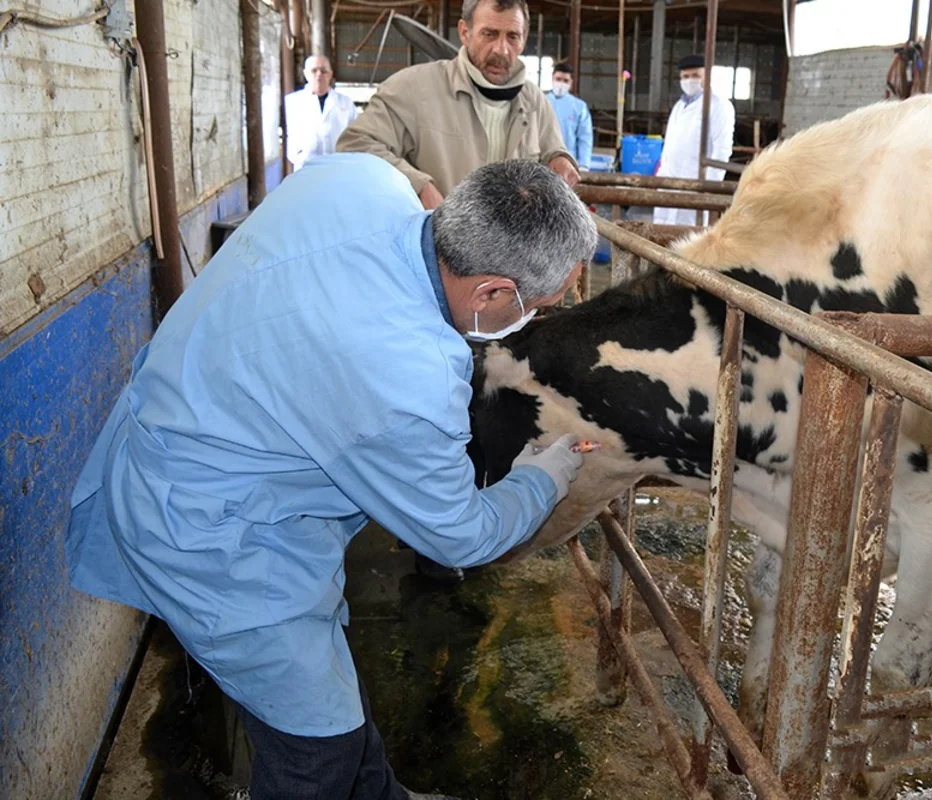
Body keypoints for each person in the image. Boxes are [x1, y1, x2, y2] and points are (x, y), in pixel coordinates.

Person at [64, 154, 597, 800]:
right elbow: (460, 534)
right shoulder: (412, 375)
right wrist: (551, 470)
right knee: (319, 751)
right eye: (535, 307)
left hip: (175, 431)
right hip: (212, 536)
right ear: (490, 293)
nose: (531, 320)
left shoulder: (357, 178)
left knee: (333, 707)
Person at [337, 0, 578, 210]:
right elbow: (355, 144)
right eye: (489, 34)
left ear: (524, 39)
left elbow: (552, 150)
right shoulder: (413, 87)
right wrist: (417, 184)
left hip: (511, 254)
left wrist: (560, 159)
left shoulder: (534, 100)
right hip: (436, 250)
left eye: (512, 36)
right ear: (465, 32)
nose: (501, 50)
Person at [653, 53, 736, 226]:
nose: (690, 80)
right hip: (668, 182)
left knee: (689, 238)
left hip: (697, 184)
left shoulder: (719, 105)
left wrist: (709, 187)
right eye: (685, 76)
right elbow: (670, 145)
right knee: (661, 235)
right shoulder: (679, 105)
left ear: (707, 76)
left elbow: (722, 150)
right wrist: (660, 177)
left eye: (696, 75)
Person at [284, 55, 359, 171]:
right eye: (314, 70)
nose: (319, 74)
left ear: (330, 74)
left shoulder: (346, 103)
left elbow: (355, 133)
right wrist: (297, 155)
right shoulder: (292, 102)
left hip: (338, 167)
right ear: (305, 74)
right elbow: (285, 133)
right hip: (305, 167)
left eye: (324, 71)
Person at [546, 62, 593, 169]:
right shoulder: (541, 101)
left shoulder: (579, 107)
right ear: (552, 79)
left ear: (571, 82)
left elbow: (585, 137)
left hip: (569, 163)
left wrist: (584, 164)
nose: (561, 83)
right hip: (543, 161)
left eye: (565, 80)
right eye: (558, 79)